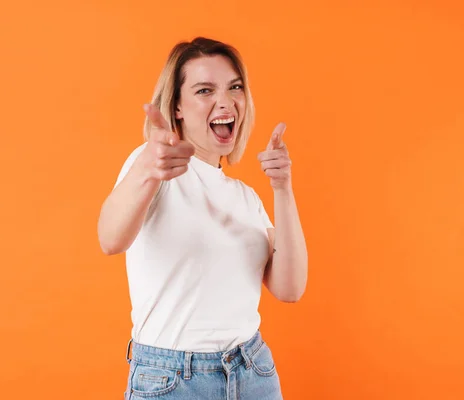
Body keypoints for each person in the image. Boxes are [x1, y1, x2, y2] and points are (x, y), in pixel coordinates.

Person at [97, 36, 308, 400]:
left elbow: (290, 289)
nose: (224, 101)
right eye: (204, 90)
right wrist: (148, 167)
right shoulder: (154, 168)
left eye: (234, 87)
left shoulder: (246, 198)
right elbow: (109, 239)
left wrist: (283, 188)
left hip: (252, 371)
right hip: (173, 381)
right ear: (176, 106)